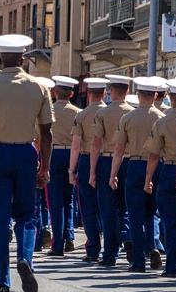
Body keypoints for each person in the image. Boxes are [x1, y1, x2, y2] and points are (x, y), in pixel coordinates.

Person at [0, 34, 53, 292]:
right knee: (27, 215)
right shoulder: (39, 87)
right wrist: (45, 168)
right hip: (26, 153)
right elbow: (47, 133)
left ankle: (1, 285)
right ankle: (26, 259)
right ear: (22, 59)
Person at [111, 76, 166, 272]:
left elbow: (118, 150)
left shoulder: (128, 118)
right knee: (153, 211)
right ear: (155, 96)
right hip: (158, 165)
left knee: (134, 213)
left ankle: (138, 261)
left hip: (134, 165)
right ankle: (153, 247)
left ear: (139, 95)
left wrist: (113, 174)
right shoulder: (162, 117)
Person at [144, 76, 176, 278]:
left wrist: (149, 177)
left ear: (171, 97)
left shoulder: (162, 122)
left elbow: (154, 154)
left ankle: (172, 266)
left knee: (170, 220)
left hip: (170, 170)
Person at [88, 75, 134, 267]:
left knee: (107, 209)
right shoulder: (133, 112)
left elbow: (96, 144)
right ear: (128, 92)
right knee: (125, 206)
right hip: (130, 161)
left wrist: (92, 171)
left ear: (110, 92)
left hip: (107, 160)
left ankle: (110, 254)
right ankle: (126, 236)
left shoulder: (102, 114)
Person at [69, 78, 107, 263]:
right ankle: (112, 245)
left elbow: (76, 146)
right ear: (105, 94)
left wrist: (71, 170)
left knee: (88, 206)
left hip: (85, 160)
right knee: (108, 205)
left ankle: (93, 248)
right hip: (108, 159)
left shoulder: (82, 115)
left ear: (89, 94)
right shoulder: (110, 113)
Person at [46, 76, 80, 257]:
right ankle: (70, 237)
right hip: (73, 154)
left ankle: (57, 244)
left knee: (55, 201)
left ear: (55, 92)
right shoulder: (78, 112)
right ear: (72, 94)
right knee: (69, 199)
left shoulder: (48, 110)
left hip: (53, 153)